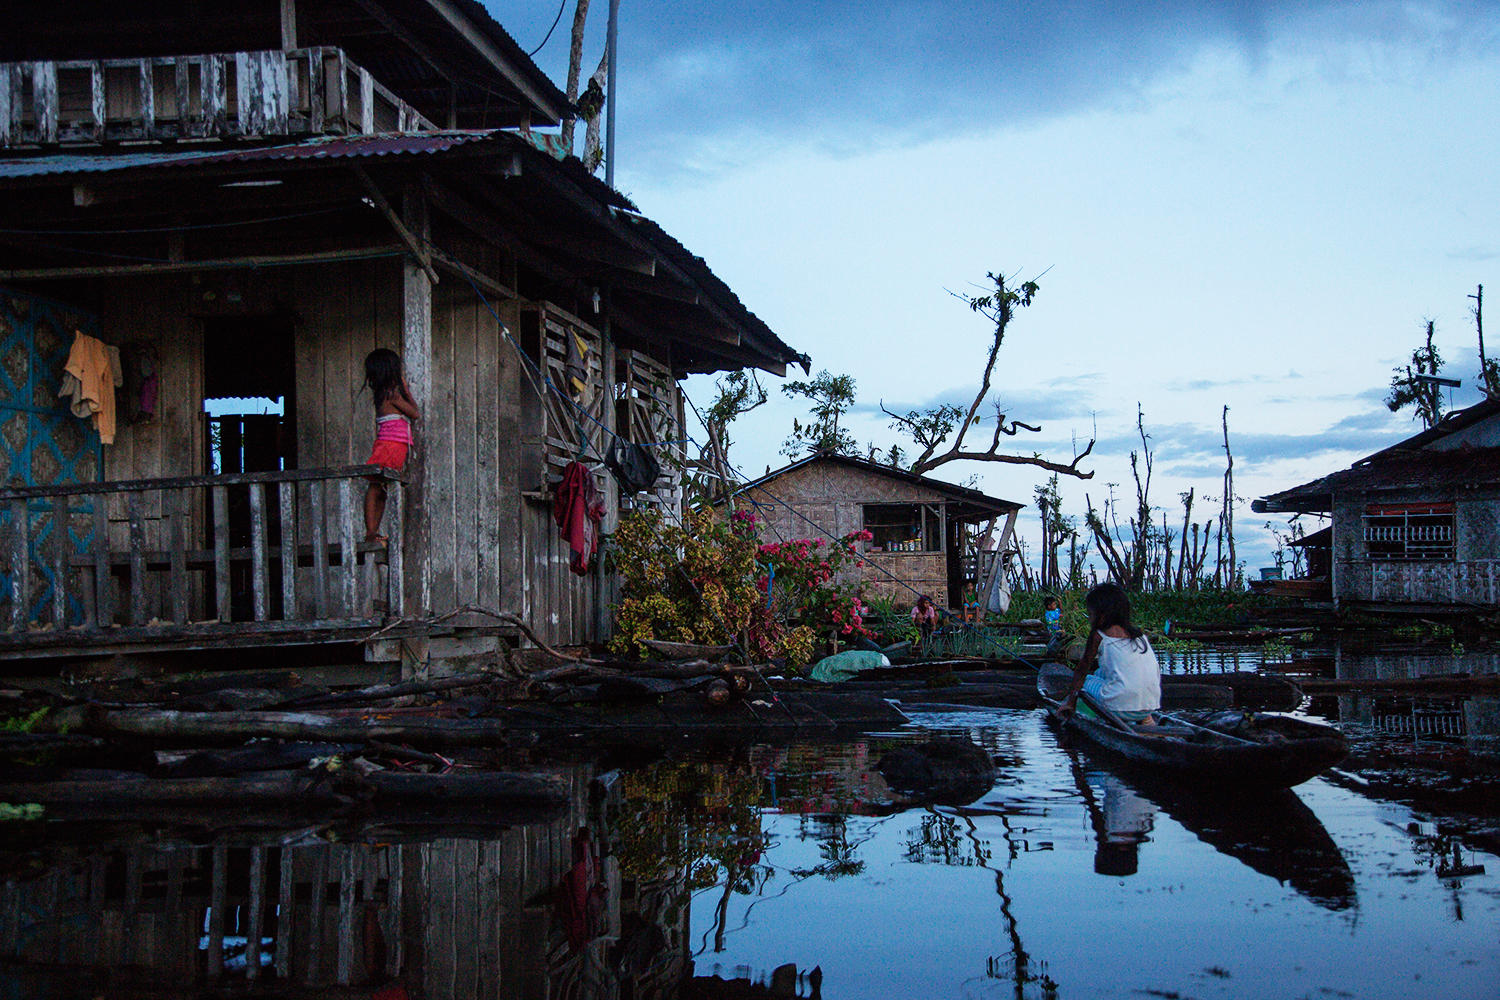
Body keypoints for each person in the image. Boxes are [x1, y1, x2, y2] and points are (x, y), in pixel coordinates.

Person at [1057, 582, 1160, 725]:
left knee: (1086, 681)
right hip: (1149, 706)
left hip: (1118, 708)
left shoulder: (1099, 635)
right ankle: (1146, 719)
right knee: (1101, 673)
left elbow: (1081, 670)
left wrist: (1071, 702)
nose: (1089, 618)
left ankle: (1101, 713)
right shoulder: (1139, 636)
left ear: (1103, 615)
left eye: (1091, 614)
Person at [361, 348, 420, 543]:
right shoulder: (392, 394)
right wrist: (406, 390)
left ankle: (373, 531)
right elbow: (415, 413)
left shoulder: (383, 393)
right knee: (376, 487)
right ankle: (371, 532)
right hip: (390, 446)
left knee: (381, 489)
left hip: (392, 446)